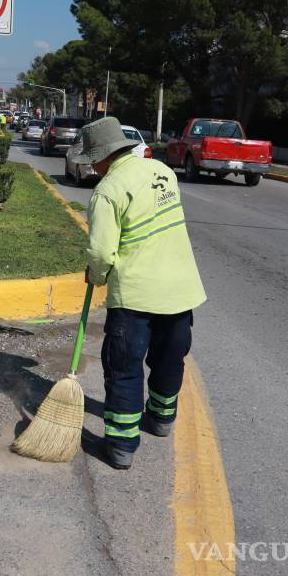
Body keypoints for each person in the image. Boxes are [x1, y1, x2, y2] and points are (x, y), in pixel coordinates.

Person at [76, 116, 207, 470]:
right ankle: (161, 420)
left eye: (93, 160)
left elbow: (101, 253)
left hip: (135, 297)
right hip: (179, 291)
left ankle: (121, 445)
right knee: (169, 358)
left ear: (101, 157)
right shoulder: (162, 172)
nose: (93, 167)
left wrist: (96, 275)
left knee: (124, 367)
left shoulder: (108, 191)